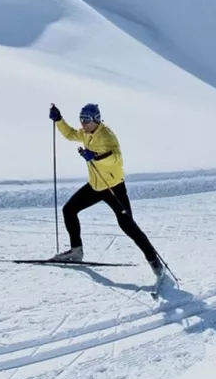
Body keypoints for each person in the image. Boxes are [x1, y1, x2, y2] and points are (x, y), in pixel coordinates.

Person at [48, 102, 164, 276]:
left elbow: (115, 159)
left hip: (113, 187)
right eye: (81, 119)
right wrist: (59, 120)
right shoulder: (87, 133)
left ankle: (154, 260)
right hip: (96, 186)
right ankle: (76, 251)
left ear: (96, 119)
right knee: (69, 210)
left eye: (86, 120)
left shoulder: (107, 136)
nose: (83, 124)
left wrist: (95, 156)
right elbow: (71, 134)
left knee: (127, 225)